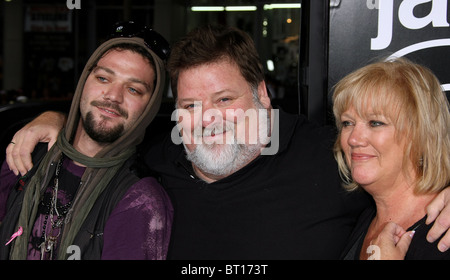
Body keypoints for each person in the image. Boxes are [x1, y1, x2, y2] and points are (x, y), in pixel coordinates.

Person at [5, 25, 450, 259]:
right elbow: (107, 126)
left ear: (261, 95)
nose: (209, 118)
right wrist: (54, 120)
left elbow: (402, 153)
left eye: (224, 98)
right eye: (193, 105)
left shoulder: (325, 153)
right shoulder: (156, 163)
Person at [0, 21, 173, 260]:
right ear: (84, 82)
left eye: (133, 89)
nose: (113, 96)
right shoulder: (26, 154)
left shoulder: (141, 200)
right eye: (103, 78)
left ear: (149, 108)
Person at [333, 58, 450, 259]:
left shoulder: (443, 234)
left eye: (375, 123)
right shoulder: (364, 218)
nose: (353, 139)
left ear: (421, 134)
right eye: (347, 123)